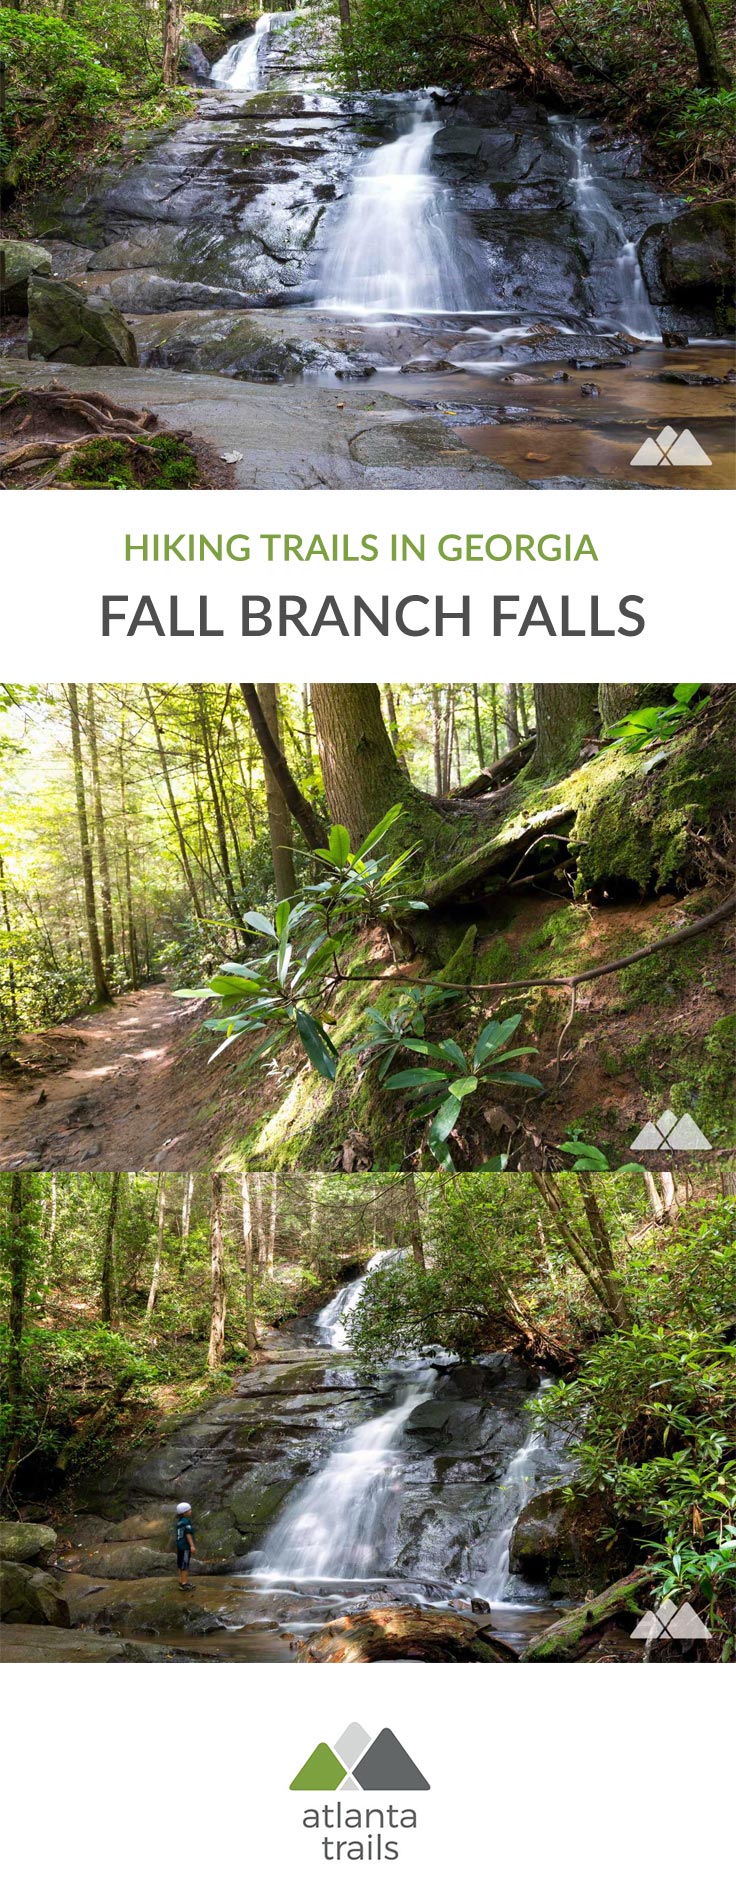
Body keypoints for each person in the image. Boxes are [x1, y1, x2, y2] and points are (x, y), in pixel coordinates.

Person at [175, 1500, 196, 1589]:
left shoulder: (179, 1522)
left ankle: (181, 1581)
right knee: (185, 1565)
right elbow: (188, 1534)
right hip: (185, 1546)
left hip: (179, 1546)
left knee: (180, 1564)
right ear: (185, 1512)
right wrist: (192, 1545)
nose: (191, 1511)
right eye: (189, 1510)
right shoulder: (186, 1521)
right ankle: (184, 1583)